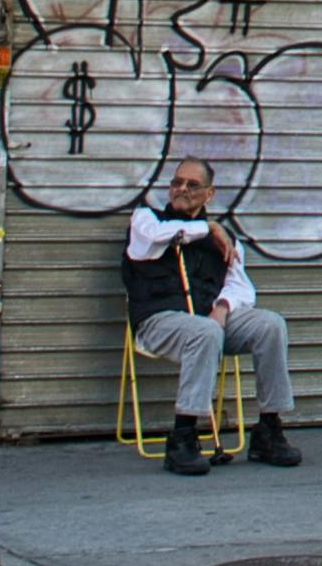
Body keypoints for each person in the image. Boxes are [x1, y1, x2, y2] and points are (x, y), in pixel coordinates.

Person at [123, 154, 299, 475]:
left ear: (209, 194)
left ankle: (269, 429)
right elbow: (158, 237)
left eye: (192, 185)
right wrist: (208, 228)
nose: (182, 189)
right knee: (204, 332)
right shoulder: (146, 219)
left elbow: (241, 288)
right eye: (177, 182)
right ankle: (183, 436)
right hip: (158, 322)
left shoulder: (225, 240)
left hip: (209, 323)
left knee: (270, 325)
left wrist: (222, 307)